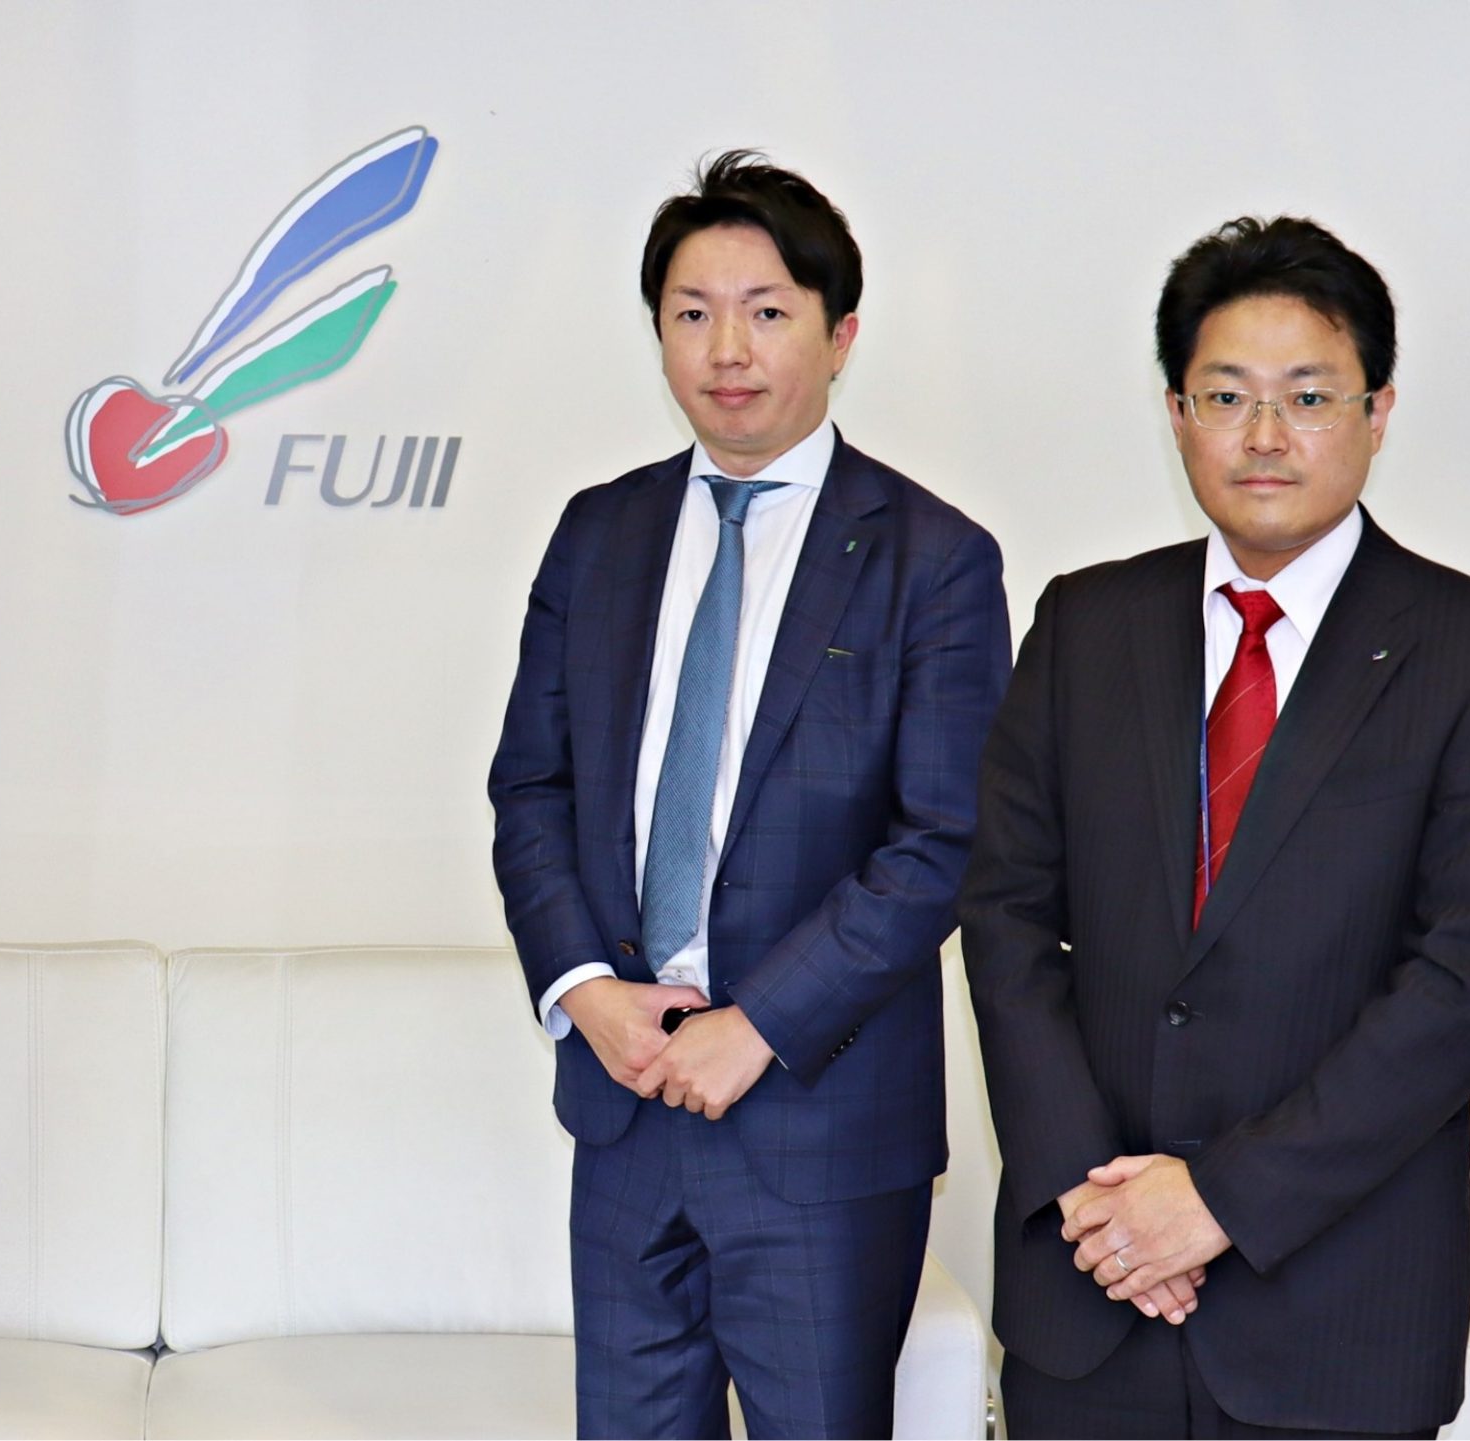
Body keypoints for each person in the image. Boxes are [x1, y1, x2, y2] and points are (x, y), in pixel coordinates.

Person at [961, 215, 1470, 1439]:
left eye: (1307, 396)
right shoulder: (1085, 625)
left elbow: (1468, 984)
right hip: (1089, 1300)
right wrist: (1100, 1206)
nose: (1263, 434)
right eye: (1226, 395)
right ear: (1175, 412)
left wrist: (1215, 1201)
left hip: (1335, 1311)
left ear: (1376, 410)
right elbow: (1004, 912)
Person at [488, 151, 1009, 1439]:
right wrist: (584, 992)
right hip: (624, 1102)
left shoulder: (933, 558)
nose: (728, 349)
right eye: (692, 312)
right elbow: (532, 789)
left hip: (819, 1123)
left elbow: (941, 841)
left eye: (767, 311)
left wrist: (758, 1024)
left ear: (840, 334)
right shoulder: (597, 533)